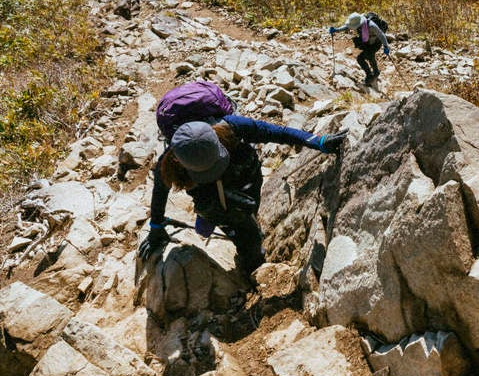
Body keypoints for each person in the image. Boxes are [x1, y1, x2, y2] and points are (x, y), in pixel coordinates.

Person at [137, 93, 344, 281]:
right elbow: (159, 193)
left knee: (246, 220)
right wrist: (155, 227)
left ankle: (250, 253)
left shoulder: (231, 126)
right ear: (178, 161)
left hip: (243, 176)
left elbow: (277, 133)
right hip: (216, 187)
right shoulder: (169, 161)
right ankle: (215, 218)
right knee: (218, 216)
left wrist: (317, 141)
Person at [329, 11, 390, 89]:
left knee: (360, 58)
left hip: (375, 43)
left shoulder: (371, 25)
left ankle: (370, 75)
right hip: (367, 42)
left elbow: (381, 35)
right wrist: (336, 30)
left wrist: (386, 47)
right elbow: (347, 27)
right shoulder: (359, 23)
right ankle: (375, 72)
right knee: (370, 56)